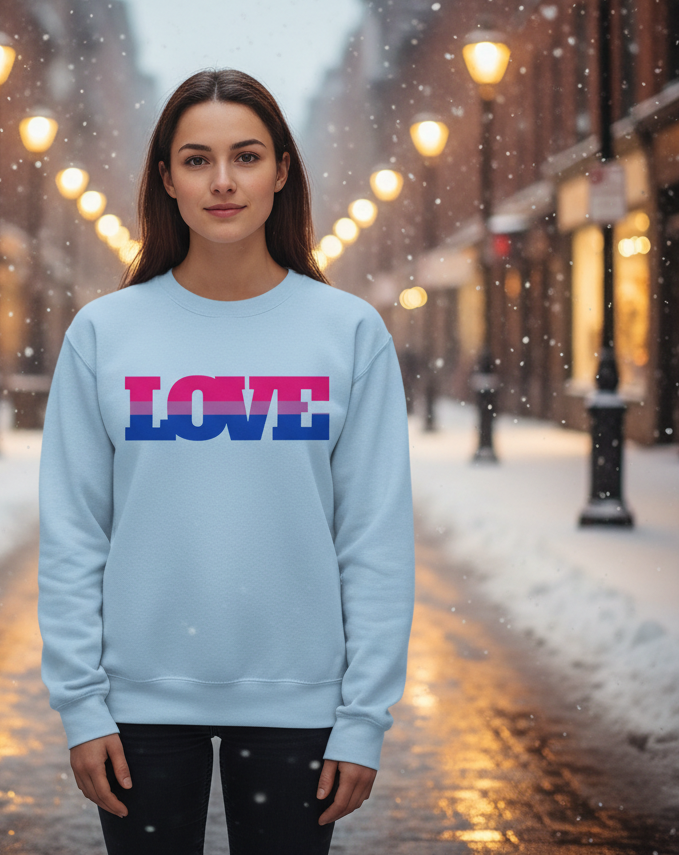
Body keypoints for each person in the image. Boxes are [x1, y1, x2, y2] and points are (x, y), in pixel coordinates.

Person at [38, 69, 414, 855]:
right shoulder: (106, 333)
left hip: (299, 704)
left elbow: (374, 539)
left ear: (282, 171)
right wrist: (82, 704)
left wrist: (362, 718)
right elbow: (75, 533)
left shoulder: (347, 333)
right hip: (136, 705)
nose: (222, 182)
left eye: (245, 157)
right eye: (196, 159)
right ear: (166, 179)